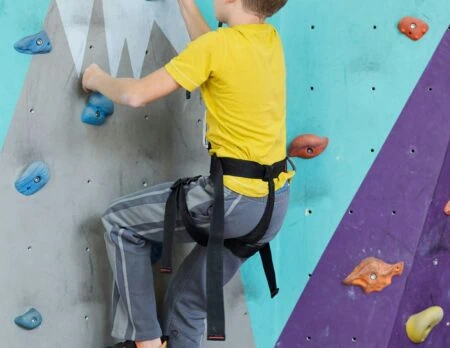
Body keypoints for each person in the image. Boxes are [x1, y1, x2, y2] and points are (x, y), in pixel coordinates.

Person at [82, 0, 293, 347]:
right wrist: (185, 5)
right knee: (187, 304)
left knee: (119, 222)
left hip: (234, 201)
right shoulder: (267, 39)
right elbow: (213, 51)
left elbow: (136, 95)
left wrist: (96, 77)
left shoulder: (218, 47)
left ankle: (146, 341)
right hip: (272, 205)